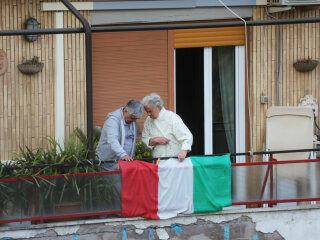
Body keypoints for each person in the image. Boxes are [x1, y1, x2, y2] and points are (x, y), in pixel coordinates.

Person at [141, 93, 193, 162]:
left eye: (150, 111)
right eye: (147, 112)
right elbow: (144, 139)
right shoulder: (148, 120)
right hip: (158, 161)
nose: (148, 114)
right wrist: (155, 140)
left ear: (158, 107)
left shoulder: (172, 117)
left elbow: (187, 136)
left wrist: (184, 151)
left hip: (175, 160)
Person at [96, 100, 143, 170]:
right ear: (126, 111)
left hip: (125, 163)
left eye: (136, 119)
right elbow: (112, 140)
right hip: (108, 163)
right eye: (133, 118)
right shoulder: (113, 120)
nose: (134, 121)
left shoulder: (134, 122)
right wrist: (123, 154)